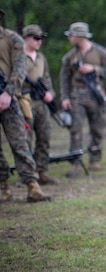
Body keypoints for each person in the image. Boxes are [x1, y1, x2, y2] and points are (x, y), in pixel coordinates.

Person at [0, 11, 51, 203]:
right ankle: (4, 185)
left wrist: (8, 92)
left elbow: (20, 68)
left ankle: (32, 185)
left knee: (20, 142)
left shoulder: (12, 39)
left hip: (9, 97)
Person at [60, 22, 106, 173]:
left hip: (95, 95)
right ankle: (75, 161)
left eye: (72, 35)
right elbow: (64, 79)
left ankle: (95, 159)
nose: (69, 38)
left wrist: (94, 69)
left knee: (97, 127)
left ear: (80, 36)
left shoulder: (101, 53)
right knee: (76, 128)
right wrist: (65, 97)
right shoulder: (69, 57)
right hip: (76, 95)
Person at [22, 24, 59, 184]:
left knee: (45, 137)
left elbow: (46, 78)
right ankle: (27, 175)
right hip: (25, 101)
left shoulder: (41, 57)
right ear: (26, 38)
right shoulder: (18, 57)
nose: (39, 42)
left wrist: (50, 93)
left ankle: (42, 171)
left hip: (42, 102)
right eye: (36, 38)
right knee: (25, 139)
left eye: (41, 39)